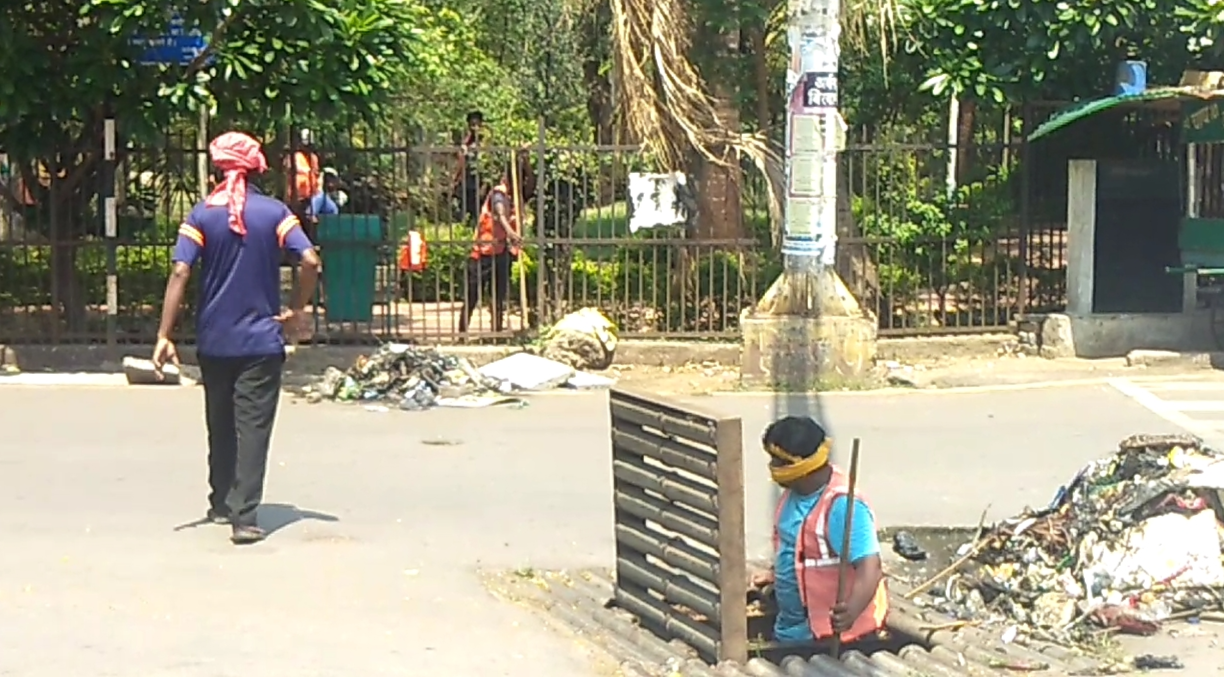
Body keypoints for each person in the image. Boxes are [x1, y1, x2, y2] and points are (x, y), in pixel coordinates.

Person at [152, 131, 322, 545]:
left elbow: (180, 271)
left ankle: (221, 500)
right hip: (261, 341)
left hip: (214, 339)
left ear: (219, 167)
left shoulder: (200, 216)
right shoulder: (275, 213)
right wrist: (297, 309)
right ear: (254, 166)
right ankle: (244, 517)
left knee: (220, 422)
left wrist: (164, 334)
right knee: (253, 427)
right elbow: (310, 259)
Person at [752, 416, 888, 644]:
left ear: (804, 464)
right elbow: (797, 548)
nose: (773, 468)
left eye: (779, 462)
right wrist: (775, 575)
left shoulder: (842, 506)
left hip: (829, 636)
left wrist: (850, 613)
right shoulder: (794, 492)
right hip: (791, 628)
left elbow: (870, 568)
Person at [458, 159, 525, 334]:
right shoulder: (498, 193)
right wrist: (511, 232)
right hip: (482, 253)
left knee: (498, 295)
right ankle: (461, 332)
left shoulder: (512, 195)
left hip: (501, 252)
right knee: (472, 294)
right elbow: (499, 212)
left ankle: (497, 330)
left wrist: (524, 159)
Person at [452, 111, 485, 224]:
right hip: (467, 182)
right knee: (466, 210)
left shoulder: (485, 140)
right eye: (472, 125)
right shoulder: (467, 141)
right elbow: (460, 161)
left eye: (477, 124)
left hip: (481, 181)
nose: (475, 128)